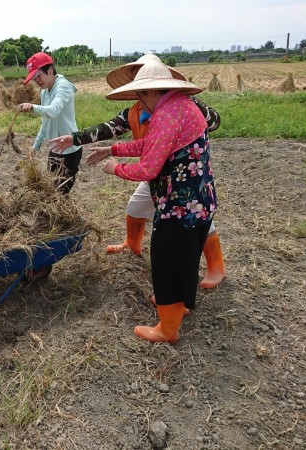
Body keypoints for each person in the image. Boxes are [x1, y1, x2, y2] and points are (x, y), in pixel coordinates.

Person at [49, 54, 225, 289]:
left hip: (180, 179)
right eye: (137, 83)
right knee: (135, 207)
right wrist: (75, 137)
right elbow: (108, 129)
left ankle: (215, 268)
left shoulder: (180, 107)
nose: (141, 91)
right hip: (156, 176)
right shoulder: (134, 112)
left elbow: (215, 122)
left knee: (197, 224)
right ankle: (132, 244)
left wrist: (193, 108)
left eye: (145, 85)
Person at [86, 59, 217, 344]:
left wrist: (115, 167)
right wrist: (112, 147)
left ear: (149, 92)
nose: (140, 104)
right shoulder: (181, 106)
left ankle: (167, 329)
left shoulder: (167, 114)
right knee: (185, 258)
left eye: (140, 96)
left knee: (166, 259)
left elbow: (148, 169)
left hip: (179, 205)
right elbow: (151, 143)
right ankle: (178, 306)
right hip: (200, 200)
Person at [17, 52, 82, 195]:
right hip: (55, 148)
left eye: (38, 75)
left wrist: (33, 107)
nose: (37, 81)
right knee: (52, 190)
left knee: (59, 192)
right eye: (34, 78)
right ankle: (71, 216)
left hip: (70, 149)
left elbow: (53, 111)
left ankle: (73, 217)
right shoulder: (44, 92)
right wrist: (35, 146)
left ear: (50, 70)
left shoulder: (63, 87)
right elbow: (45, 122)